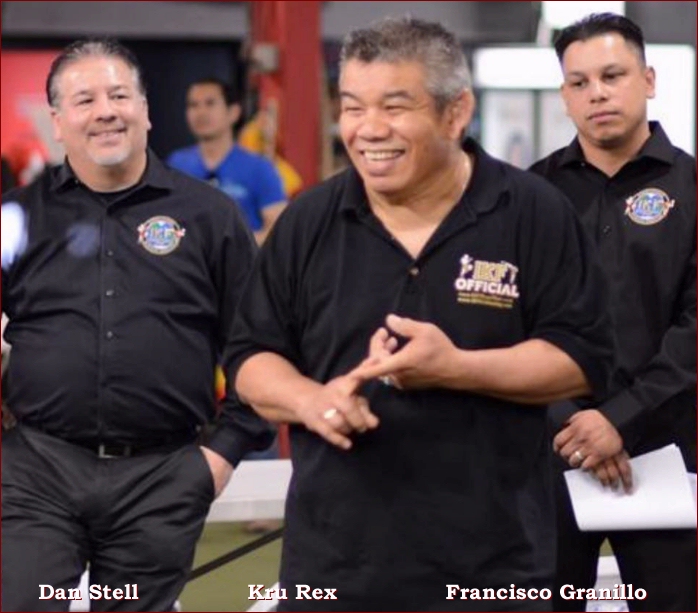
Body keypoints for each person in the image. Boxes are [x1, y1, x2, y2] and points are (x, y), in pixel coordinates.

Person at [227, 17, 615, 612]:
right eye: (352, 106)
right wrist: (311, 400)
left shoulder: (534, 212)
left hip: (494, 570)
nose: (368, 129)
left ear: (456, 113)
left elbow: (581, 358)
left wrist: (457, 368)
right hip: (333, 569)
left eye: (394, 106)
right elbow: (252, 356)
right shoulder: (308, 222)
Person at [1, 38, 273, 612]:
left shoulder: (211, 217)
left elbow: (260, 345)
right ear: (58, 122)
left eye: (120, 95)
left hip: (163, 478)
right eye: (85, 100)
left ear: (146, 110)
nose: (106, 111)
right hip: (35, 474)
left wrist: (220, 456)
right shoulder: (16, 217)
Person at [529, 13, 696, 612]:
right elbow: (511, 322)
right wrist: (573, 425)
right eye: (579, 83)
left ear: (648, 80)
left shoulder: (692, 189)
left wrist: (619, 419)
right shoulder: (529, 196)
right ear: (565, 96)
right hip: (550, 455)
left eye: (612, 75)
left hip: (668, 454)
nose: (596, 93)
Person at [167, 78, 287, 245]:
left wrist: (229, 247)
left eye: (210, 103)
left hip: (242, 258)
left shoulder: (260, 168)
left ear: (233, 112)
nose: (201, 112)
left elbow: (279, 230)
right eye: (193, 105)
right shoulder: (176, 163)